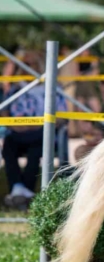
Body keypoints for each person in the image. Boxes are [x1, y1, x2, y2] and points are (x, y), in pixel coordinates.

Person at [2, 51, 67, 208]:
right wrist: (14, 124)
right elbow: (4, 111)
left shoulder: (53, 88)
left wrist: (38, 124)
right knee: (8, 146)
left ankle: (25, 191)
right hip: (17, 133)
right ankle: (18, 187)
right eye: (23, 65)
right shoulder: (14, 88)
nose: (25, 68)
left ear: (40, 66)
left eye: (30, 65)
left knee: (37, 148)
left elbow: (63, 115)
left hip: (41, 132)